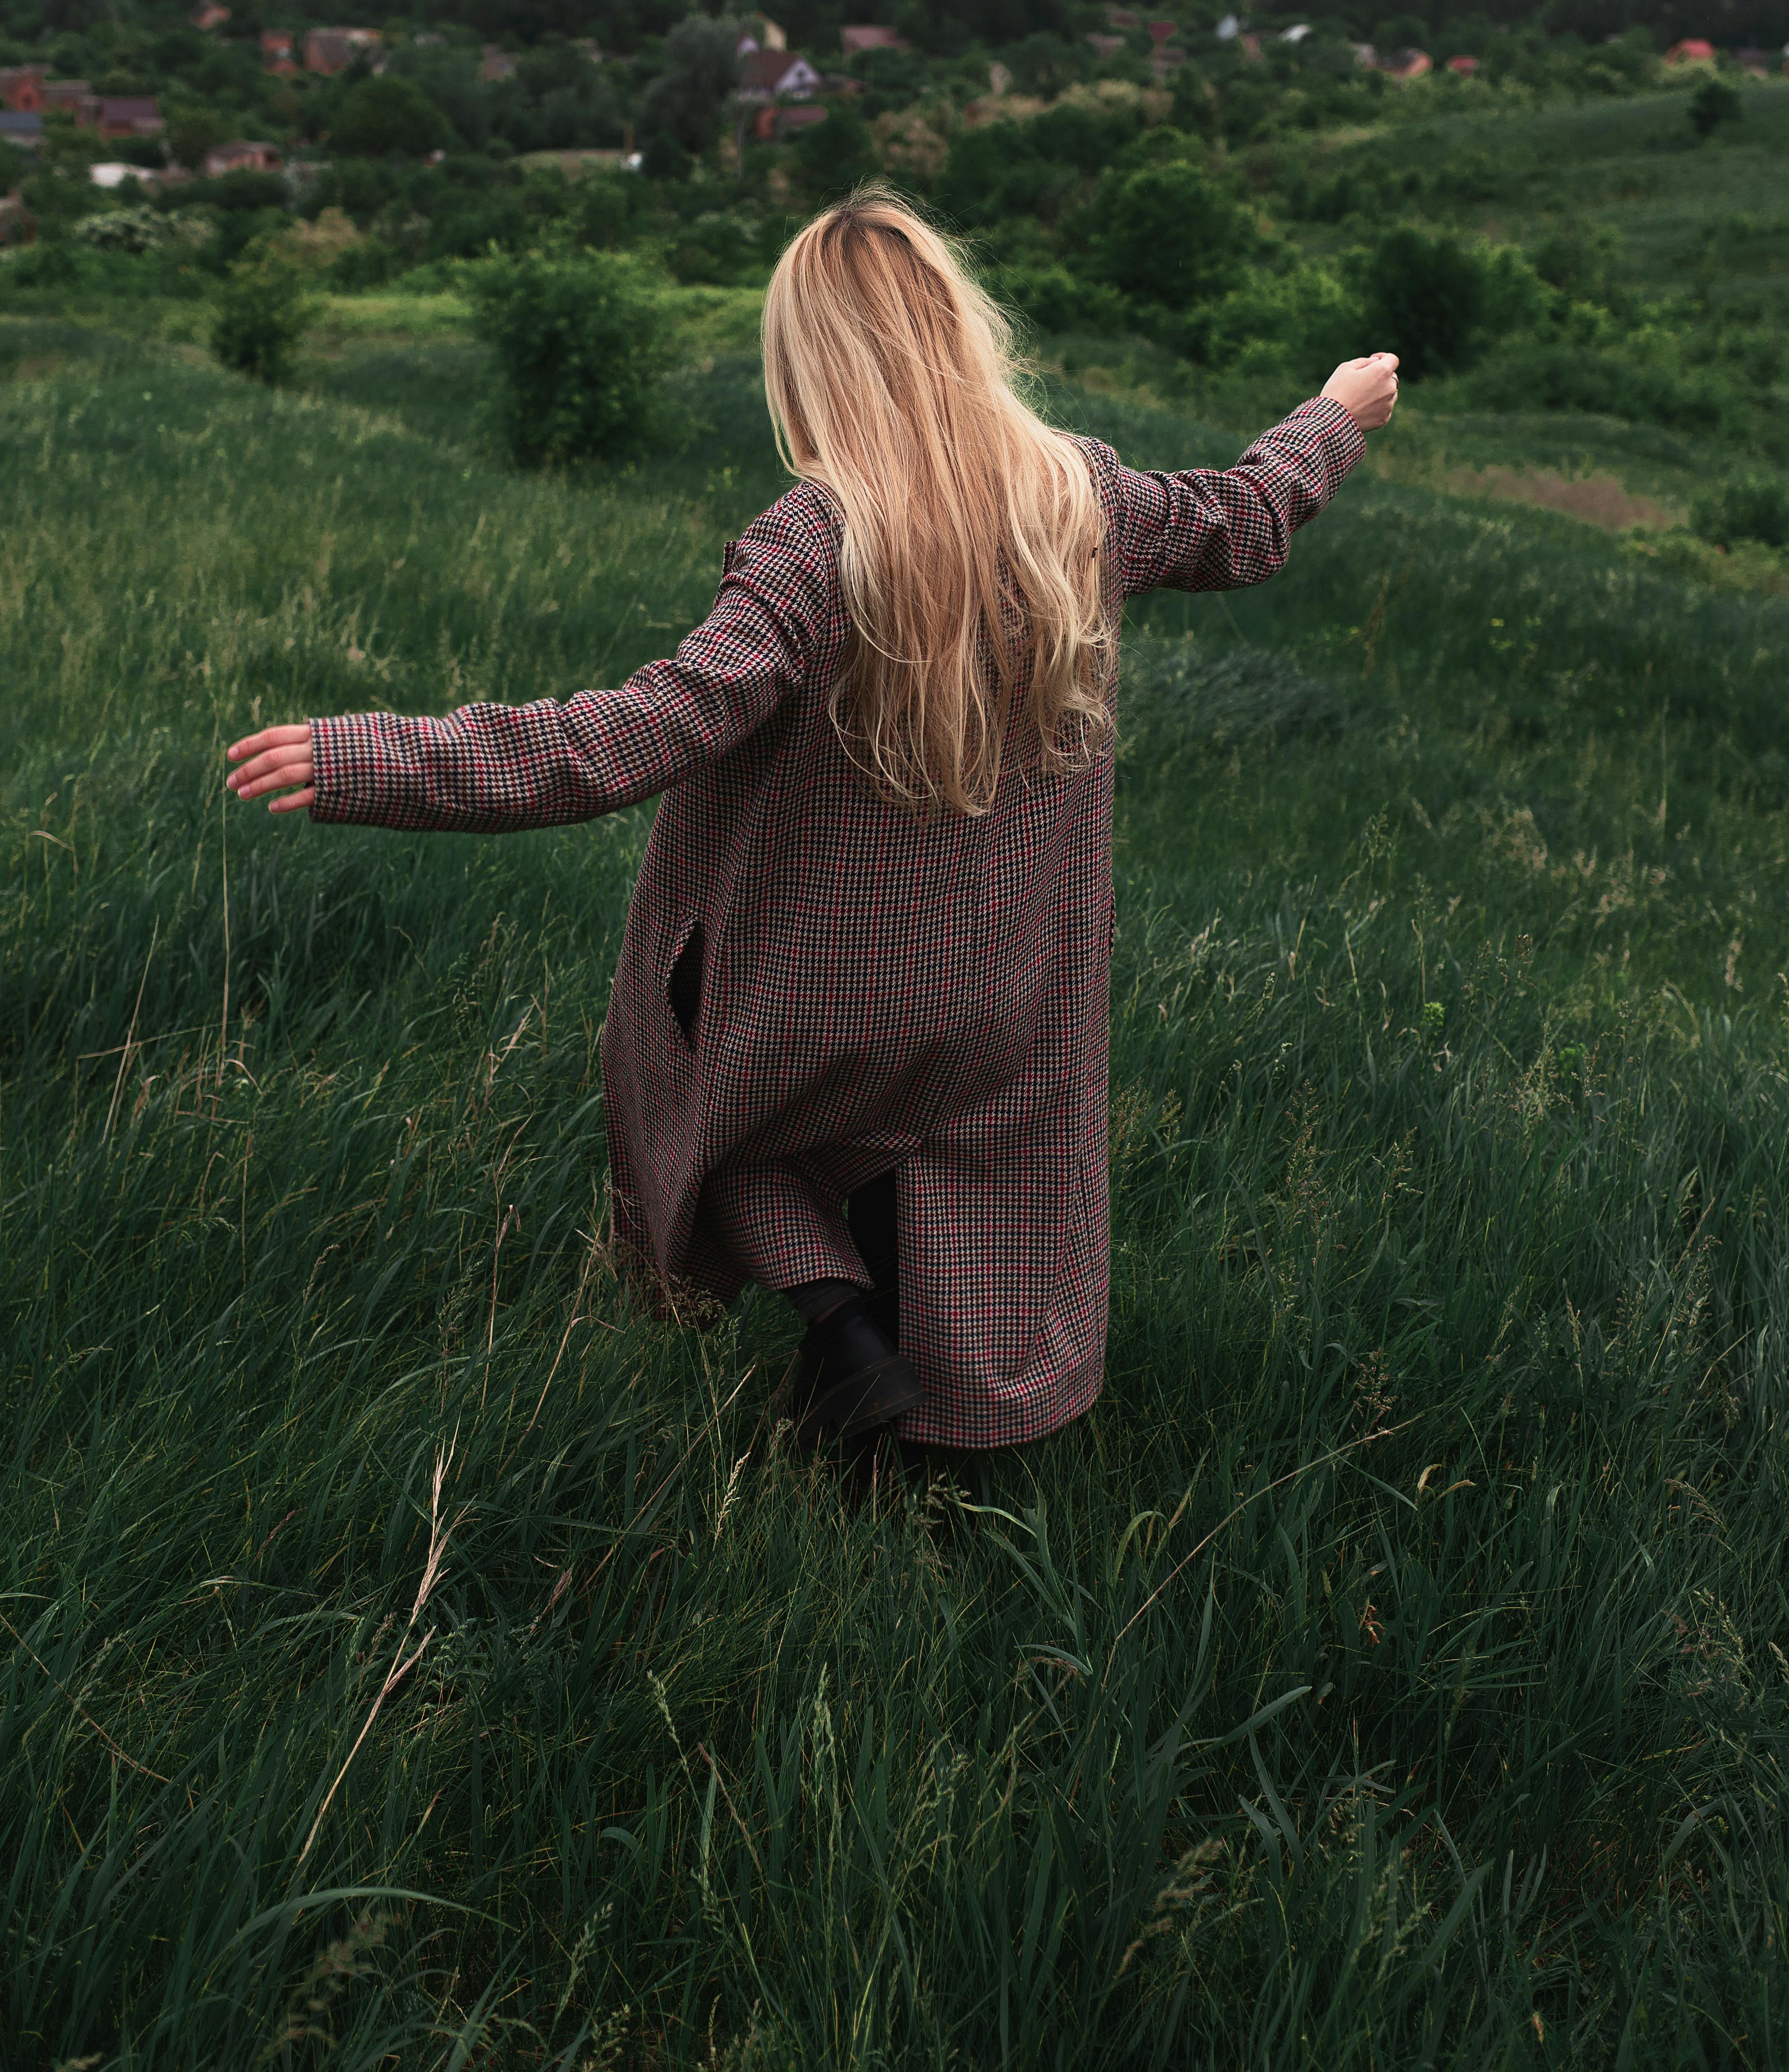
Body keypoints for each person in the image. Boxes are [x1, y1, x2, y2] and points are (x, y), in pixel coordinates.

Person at [228, 192, 1396, 1458]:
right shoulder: (1080, 498)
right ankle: (919, 1409)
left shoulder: (811, 545)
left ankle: (835, 1318)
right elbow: (1248, 513)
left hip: (821, 1004)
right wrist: (1333, 417)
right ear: (959, 333)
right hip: (1001, 992)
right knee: (932, 1144)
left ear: (809, 362)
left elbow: (633, 732)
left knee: (684, 1060)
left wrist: (377, 757)